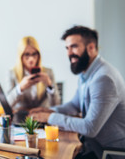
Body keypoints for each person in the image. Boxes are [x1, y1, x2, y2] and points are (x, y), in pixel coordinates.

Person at [30, 26, 125, 158]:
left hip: (108, 153)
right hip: (93, 147)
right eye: (67, 48)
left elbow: (89, 128)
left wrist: (49, 118)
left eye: (74, 47)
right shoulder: (87, 73)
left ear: (91, 48)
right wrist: (50, 111)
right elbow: (75, 105)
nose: (69, 53)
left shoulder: (103, 78)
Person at [5, 36, 60, 113]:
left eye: (34, 54)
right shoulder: (12, 73)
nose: (31, 59)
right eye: (27, 54)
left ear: (38, 55)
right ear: (21, 56)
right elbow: (7, 105)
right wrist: (20, 88)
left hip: (42, 117)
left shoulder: (48, 72)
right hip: (21, 118)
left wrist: (49, 85)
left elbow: (56, 105)